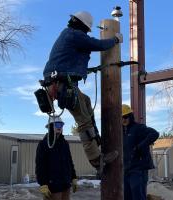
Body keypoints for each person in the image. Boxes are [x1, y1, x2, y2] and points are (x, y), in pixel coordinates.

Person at [41, 11, 122, 170]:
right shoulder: (74, 35)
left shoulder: (68, 34)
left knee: (86, 101)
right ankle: (96, 159)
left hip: (61, 82)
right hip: (63, 84)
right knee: (83, 119)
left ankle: (97, 140)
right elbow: (98, 45)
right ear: (83, 26)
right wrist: (115, 39)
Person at [121, 104, 160, 200]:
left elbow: (155, 134)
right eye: (121, 118)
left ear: (130, 116)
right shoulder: (120, 132)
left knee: (138, 195)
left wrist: (140, 146)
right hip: (126, 170)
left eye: (125, 117)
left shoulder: (139, 128)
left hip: (139, 169)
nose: (123, 120)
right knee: (126, 196)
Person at [36, 116, 78, 200]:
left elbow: (69, 162)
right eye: (57, 125)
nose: (60, 127)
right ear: (51, 127)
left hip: (65, 185)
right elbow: (40, 166)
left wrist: (73, 177)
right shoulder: (44, 144)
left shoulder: (65, 144)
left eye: (61, 125)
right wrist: (43, 184)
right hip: (53, 187)